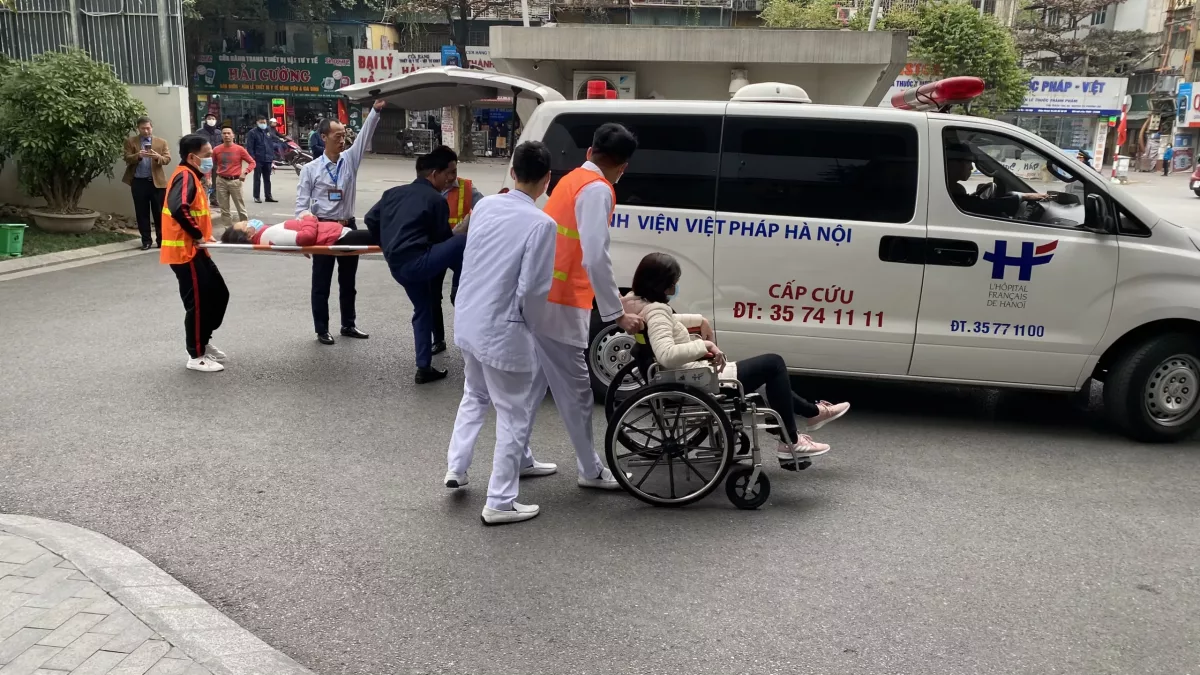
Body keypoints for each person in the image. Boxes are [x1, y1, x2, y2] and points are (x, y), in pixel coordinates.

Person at [623, 252, 850, 462]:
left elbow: (668, 324)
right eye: (674, 281)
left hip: (692, 375)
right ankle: (792, 439)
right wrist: (704, 345)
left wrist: (700, 320)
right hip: (697, 380)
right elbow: (667, 355)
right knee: (774, 364)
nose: (676, 285)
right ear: (662, 284)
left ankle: (814, 413)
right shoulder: (657, 311)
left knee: (769, 378)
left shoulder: (643, 305)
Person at [522, 123, 645, 490]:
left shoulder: (572, 179)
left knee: (534, 382)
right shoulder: (597, 190)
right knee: (577, 390)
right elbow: (595, 256)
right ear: (622, 166)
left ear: (590, 152)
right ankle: (590, 470)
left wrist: (612, 301)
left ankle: (519, 456)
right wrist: (616, 313)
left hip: (543, 296)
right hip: (561, 303)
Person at [442, 142, 560, 525]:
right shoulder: (542, 224)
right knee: (515, 412)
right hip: (504, 328)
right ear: (546, 181)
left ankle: (457, 468)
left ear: (512, 173)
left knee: (475, 395)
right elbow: (532, 290)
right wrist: (537, 328)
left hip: (471, 317)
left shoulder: (488, 205)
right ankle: (500, 501)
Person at [365, 146, 467, 383]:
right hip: (418, 261)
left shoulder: (392, 193)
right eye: (448, 173)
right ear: (434, 174)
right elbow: (445, 240)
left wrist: (387, 244)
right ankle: (459, 292)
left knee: (422, 309)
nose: (451, 179)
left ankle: (424, 368)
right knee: (462, 242)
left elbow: (371, 219)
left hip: (397, 266)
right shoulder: (435, 200)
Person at [295, 99, 385, 345]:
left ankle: (348, 324)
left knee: (348, 281)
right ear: (323, 137)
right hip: (323, 229)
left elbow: (365, 136)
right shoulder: (310, 170)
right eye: (336, 135)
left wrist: (375, 111)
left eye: (344, 135)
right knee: (321, 282)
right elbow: (301, 207)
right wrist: (304, 235)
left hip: (347, 227)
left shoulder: (350, 160)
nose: (341, 139)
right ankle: (321, 328)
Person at [161, 134, 229, 373]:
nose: (212, 159)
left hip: (197, 250)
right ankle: (196, 354)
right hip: (185, 252)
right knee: (199, 303)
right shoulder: (185, 176)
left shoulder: (194, 177)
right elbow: (178, 207)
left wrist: (204, 236)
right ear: (192, 157)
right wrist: (197, 235)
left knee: (219, 294)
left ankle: (204, 341)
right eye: (207, 155)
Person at [429, 174, 486, 355]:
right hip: (437, 249)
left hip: (460, 251)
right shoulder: (429, 187)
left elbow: (484, 208)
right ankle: (438, 339)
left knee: (460, 295)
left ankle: (468, 338)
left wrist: (468, 223)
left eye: (454, 170)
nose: (451, 176)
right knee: (432, 296)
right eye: (448, 171)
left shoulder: (467, 187)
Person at [946, 143, 1045, 219]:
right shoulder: (948, 192)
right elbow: (980, 206)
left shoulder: (951, 189)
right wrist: (1024, 196)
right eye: (968, 161)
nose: (971, 167)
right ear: (953, 163)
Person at [122, 116, 171, 250]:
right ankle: (146, 241)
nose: (146, 131)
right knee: (142, 213)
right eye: (143, 128)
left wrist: (157, 157)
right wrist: (138, 155)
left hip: (157, 183)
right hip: (139, 182)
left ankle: (161, 240)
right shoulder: (131, 141)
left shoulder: (161, 142)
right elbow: (126, 158)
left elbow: (167, 159)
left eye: (148, 128)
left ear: (152, 128)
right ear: (138, 128)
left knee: (159, 212)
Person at [219, 213, 376, 247]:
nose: (250, 221)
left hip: (336, 234)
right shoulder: (269, 235)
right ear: (248, 234)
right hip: (337, 237)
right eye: (246, 224)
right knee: (385, 235)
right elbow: (305, 238)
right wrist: (309, 218)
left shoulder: (266, 234)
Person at [211, 126, 255, 230]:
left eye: (228, 133)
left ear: (233, 135)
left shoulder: (239, 149)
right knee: (224, 208)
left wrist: (245, 172)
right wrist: (208, 178)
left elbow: (252, 162)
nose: (226, 135)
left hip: (235, 181)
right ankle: (228, 230)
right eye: (224, 133)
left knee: (241, 208)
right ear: (221, 135)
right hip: (221, 180)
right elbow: (210, 165)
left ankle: (244, 229)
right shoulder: (216, 150)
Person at [245, 115, 278, 203]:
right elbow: (250, 147)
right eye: (261, 122)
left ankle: (268, 196)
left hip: (268, 158)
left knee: (267, 179)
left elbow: (271, 145)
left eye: (264, 122)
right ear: (257, 123)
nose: (263, 124)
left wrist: (272, 157)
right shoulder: (252, 132)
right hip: (258, 159)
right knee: (257, 178)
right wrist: (252, 158)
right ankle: (256, 196)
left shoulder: (268, 132)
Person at [195, 113, 223, 203]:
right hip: (204, 159)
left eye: (213, 118)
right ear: (206, 120)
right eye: (209, 118)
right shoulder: (199, 132)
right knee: (204, 181)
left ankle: (214, 199)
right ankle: (203, 199)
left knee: (215, 180)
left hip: (216, 160)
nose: (211, 120)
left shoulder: (219, 132)